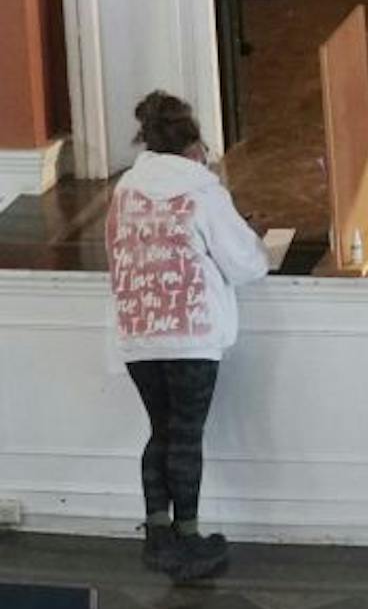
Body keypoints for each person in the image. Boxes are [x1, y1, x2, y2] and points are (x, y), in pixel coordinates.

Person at [104, 91, 270, 583]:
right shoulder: (202, 191)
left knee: (160, 428)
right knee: (186, 436)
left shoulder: (125, 189)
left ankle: (158, 536)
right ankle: (190, 539)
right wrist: (254, 241)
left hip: (137, 330)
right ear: (194, 146)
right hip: (191, 333)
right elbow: (245, 263)